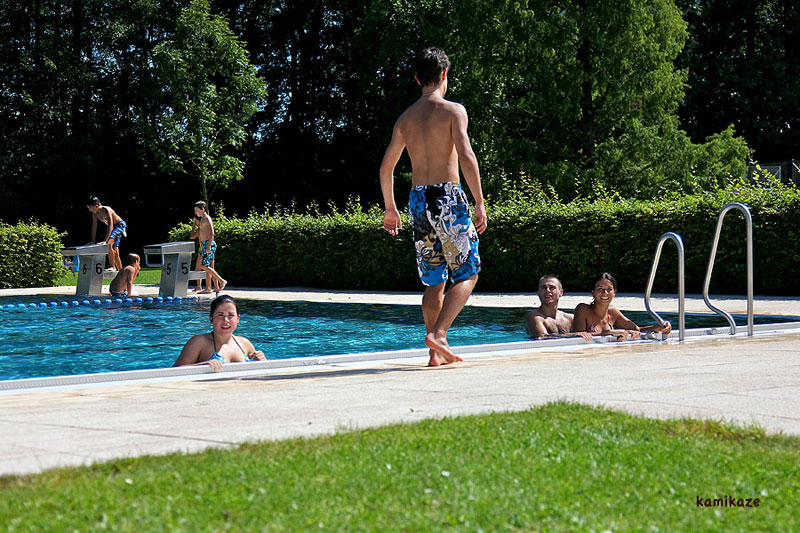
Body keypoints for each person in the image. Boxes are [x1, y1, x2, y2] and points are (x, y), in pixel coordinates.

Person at [379, 47, 488, 367]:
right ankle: (439, 335)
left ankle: (434, 354)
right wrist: (479, 201)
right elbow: (466, 155)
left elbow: (386, 169)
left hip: (417, 199)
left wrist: (390, 208)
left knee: (434, 278)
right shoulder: (453, 111)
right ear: (444, 74)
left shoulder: (405, 119)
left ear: (417, 79)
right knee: (468, 271)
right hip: (446, 197)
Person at [174, 295, 266, 370]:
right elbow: (176, 370)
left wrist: (262, 360)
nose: (226, 320)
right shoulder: (199, 342)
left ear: (238, 319)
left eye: (231, 315)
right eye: (220, 315)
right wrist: (202, 365)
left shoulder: (245, 344)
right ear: (211, 319)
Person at [572, 272, 672, 341]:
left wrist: (658, 327)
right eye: (600, 289)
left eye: (609, 289)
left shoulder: (612, 312)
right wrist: (609, 333)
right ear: (593, 292)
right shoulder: (583, 309)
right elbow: (576, 337)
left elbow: (637, 330)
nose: (605, 293)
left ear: (614, 293)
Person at [526, 275, 592, 340]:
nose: (547, 290)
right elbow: (542, 338)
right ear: (538, 293)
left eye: (552, 287)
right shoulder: (534, 316)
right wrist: (574, 334)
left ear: (561, 292)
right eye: (543, 287)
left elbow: (586, 334)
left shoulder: (570, 318)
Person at [190, 200, 226, 294]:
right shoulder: (202, 219)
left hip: (208, 244)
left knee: (204, 266)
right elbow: (193, 236)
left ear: (203, 209)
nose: (196, 212)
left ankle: (221, 281)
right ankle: (209, 288)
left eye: (197, 210)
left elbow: (212, 232)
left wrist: (209, 246)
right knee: (206, 266)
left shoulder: (207, 218)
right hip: (204, 244)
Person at [87, 196, 126, 271]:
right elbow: (94, 227)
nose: (89, 210)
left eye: (90, 207)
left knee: (109, 244)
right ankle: (121, 272)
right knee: (115, 251)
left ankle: (112, 266)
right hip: (110, 227)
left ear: (96, 206)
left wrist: (106, 240)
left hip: (119, 225)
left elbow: (111, 226)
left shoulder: (107, 210)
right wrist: (93, 241)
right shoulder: (94, 214)